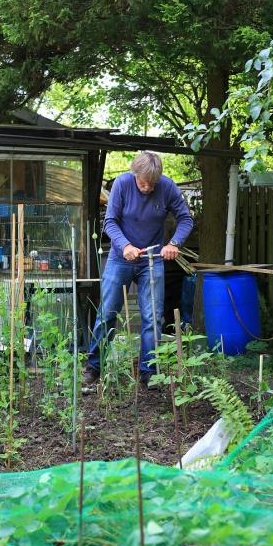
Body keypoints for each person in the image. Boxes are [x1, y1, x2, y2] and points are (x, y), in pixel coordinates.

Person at [85, 151, 193, 387]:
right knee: (107, 313)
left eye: (151, 184)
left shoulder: (167, 187)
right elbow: (110, 221)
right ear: (134, 174)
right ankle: (93, 367)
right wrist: (125, 246)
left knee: (152, 318)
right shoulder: (122, 184)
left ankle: (148, 372)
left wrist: (173, 244)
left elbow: (186, 219)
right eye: (143, 182)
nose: (146, 187)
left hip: (152, 261)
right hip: (120, 258)